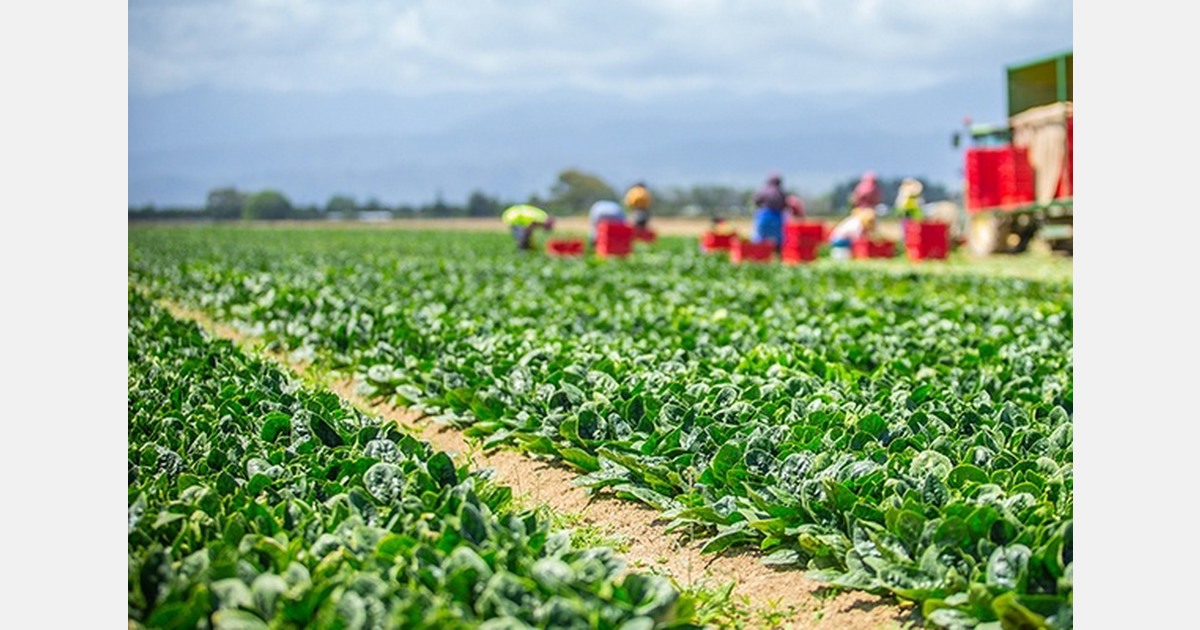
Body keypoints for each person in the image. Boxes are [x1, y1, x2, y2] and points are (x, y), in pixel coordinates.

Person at [750, 172, 788, 250]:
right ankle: (778, 253)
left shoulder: (763, 190)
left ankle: (759, 252)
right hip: (777, 216)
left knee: (760, 235)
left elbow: (756, 201)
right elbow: (784, 205)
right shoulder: (780, 192)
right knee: (778, 237)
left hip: (764, 215)